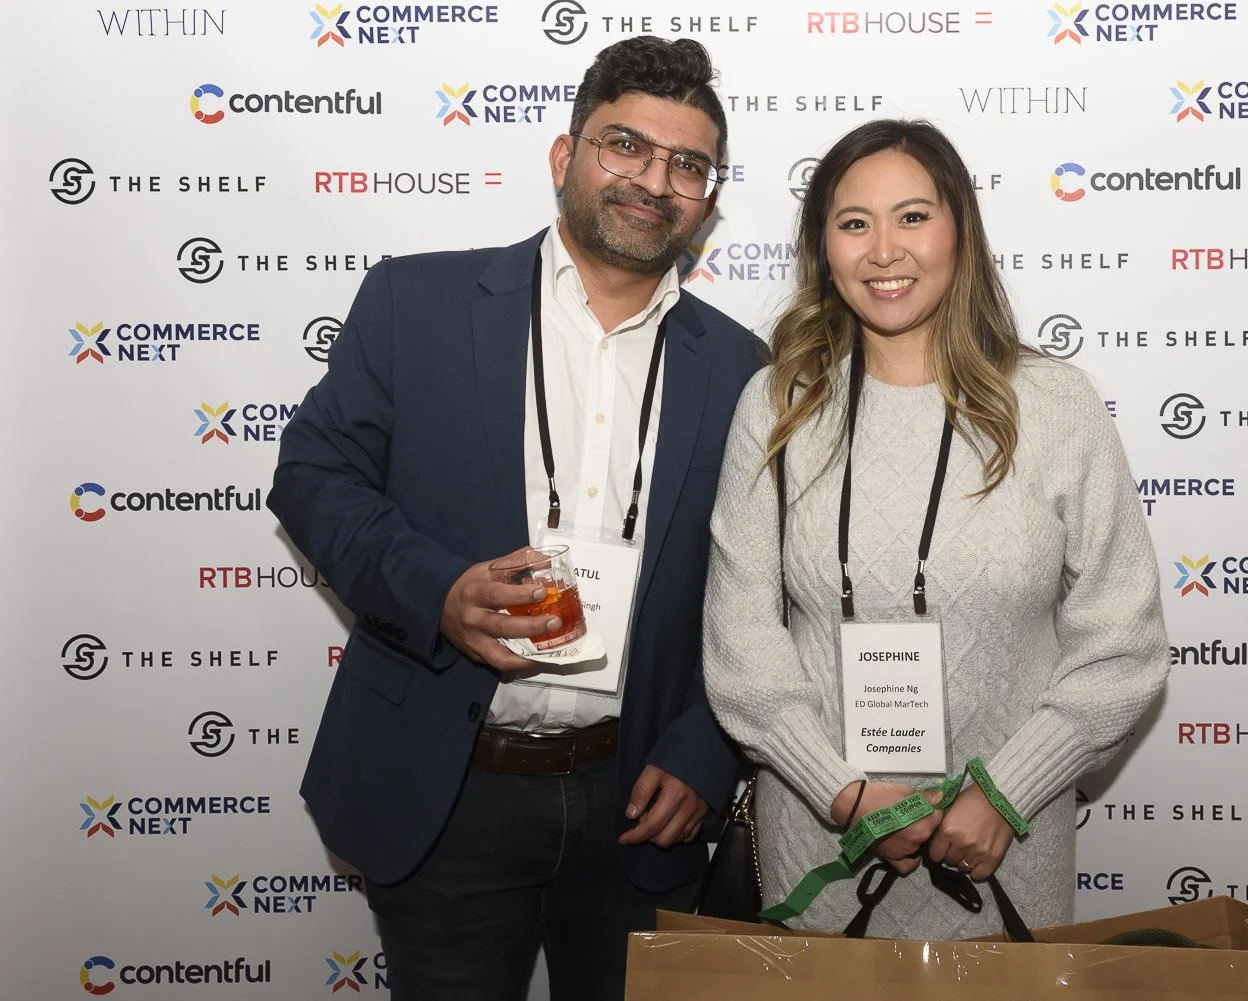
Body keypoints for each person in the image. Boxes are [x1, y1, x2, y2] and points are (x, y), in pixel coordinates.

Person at [267, 36, 764, 1001]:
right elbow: (314, 474)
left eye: (687, 164)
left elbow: (762, 589)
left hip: (642, 799)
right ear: (565, 155)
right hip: (448, 785)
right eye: (626, 145)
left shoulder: (745, 369)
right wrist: (438, 592)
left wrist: (707, 747)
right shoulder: (415, 301)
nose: (653, 180)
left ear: (707, 200)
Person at [701, 119, 1170, 940]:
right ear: (824, 248)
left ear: (961, 231)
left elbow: (1123, 645)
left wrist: (1006, 792)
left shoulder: (1057, 407)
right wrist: (843, 791)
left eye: (913, 217)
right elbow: (741, 643)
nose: (885, 251)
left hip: (1003, 856)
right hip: (819, 848)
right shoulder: (778, 404)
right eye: (855, 223)